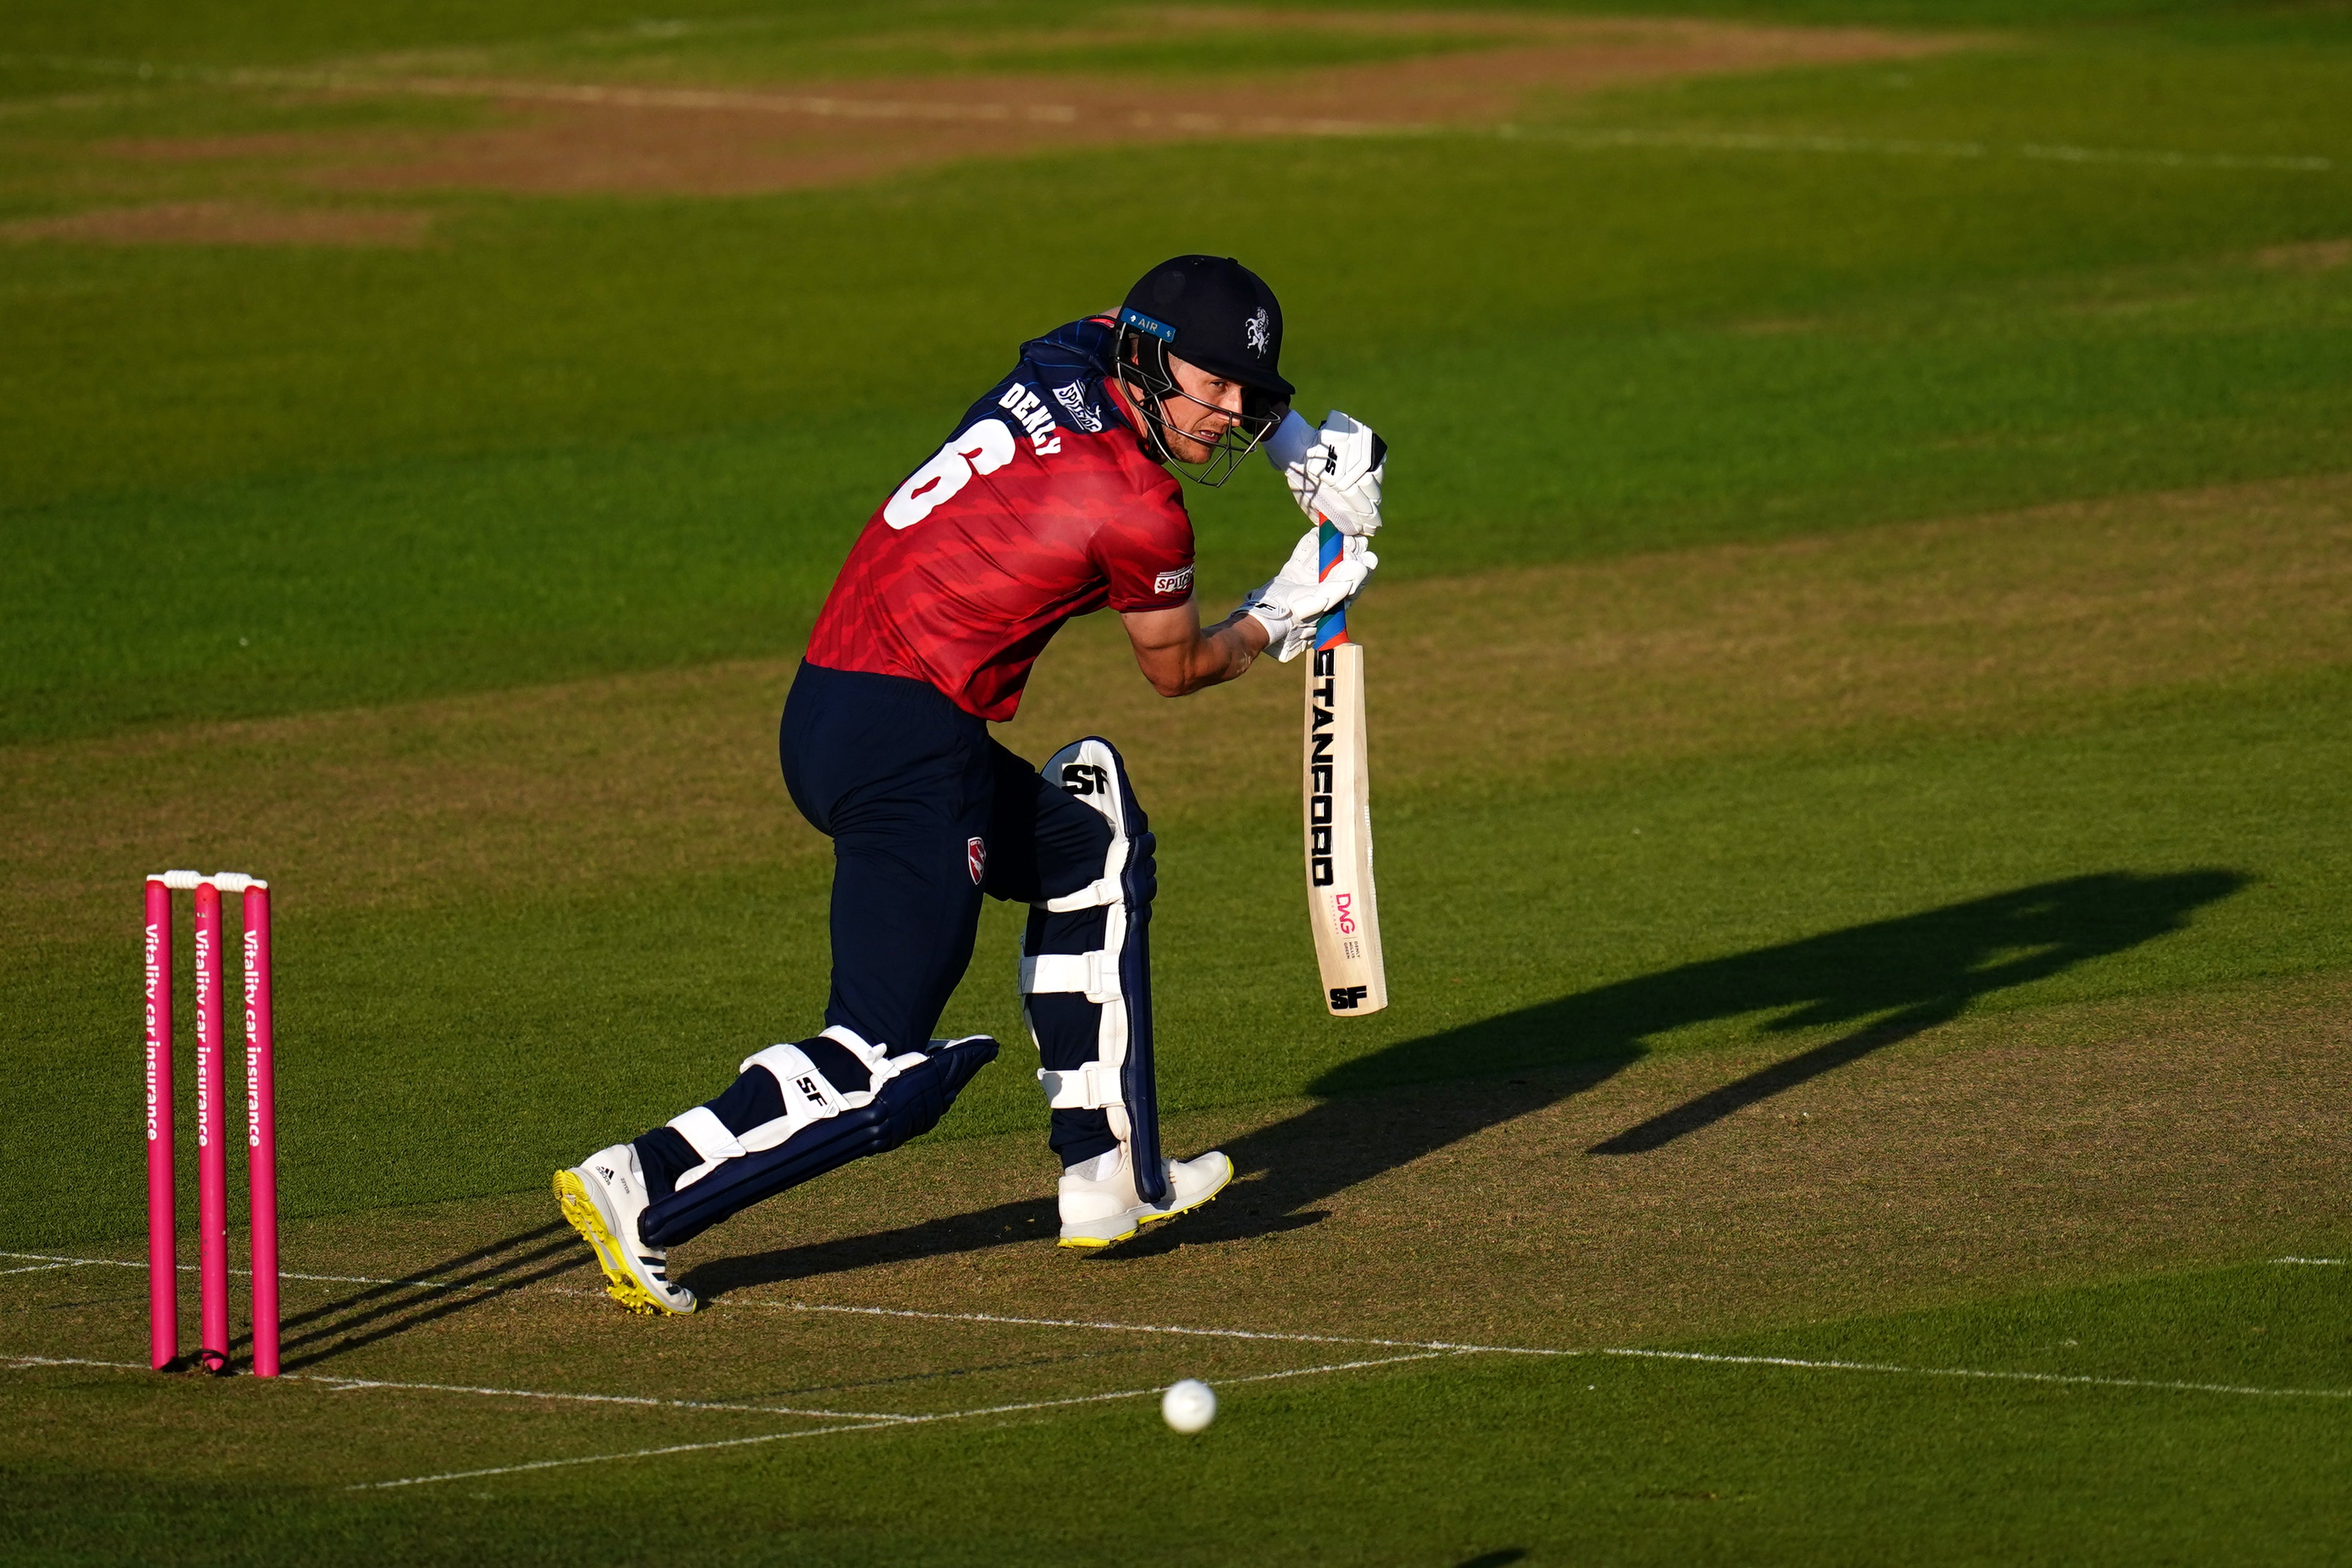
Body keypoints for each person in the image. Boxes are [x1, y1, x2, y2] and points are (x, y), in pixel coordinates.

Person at [554, 255, 1388, 1314]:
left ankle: (1108, 1175)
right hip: (907, 743)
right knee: (881, 1066)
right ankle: (642, 1184)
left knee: (1090, 850)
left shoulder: (1068, 355)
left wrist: (1304, 450)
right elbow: (1175, 669)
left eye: (1247, 397)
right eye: (1211, 387)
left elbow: (1182, 365)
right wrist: (1283, 610)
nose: (1227, 415)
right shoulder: (1141, 507)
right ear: (1145, 352)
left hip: (829, 703)